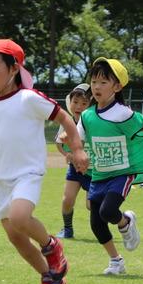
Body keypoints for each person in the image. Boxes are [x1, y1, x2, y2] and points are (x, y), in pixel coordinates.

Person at [0, 39, 88, 284]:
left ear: (13, 69)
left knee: (20, 217)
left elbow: (65, 118)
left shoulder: (29, 98)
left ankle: (51, 246)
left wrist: (78, 149)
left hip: (27, 173)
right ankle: (50, 278)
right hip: (1, 180)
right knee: (16, 237)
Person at [77, 58, 143, 275]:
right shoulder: (87, 115)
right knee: (96, 223)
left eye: (103, 82)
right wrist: (72, 149)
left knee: (108, 211)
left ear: (117, 87)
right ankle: (116, 261)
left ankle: (125, 221)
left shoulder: (123, 114)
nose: (96, 87)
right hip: (99, 174)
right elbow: (77, 140)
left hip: (123, 173)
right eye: (94, 82)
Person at [54, 83, 92, 238]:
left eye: (84, 103)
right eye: (75, 102)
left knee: (92, 206)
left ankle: (121, 219)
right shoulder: (67, 122)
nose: (79, 106)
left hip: (93, 170)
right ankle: (67, 229)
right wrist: (66, 154)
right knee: (67, 200)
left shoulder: (93, 122)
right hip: (74, 169)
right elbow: (59, 142)